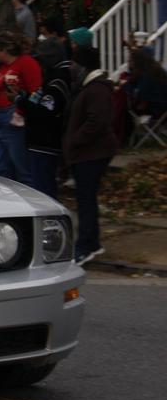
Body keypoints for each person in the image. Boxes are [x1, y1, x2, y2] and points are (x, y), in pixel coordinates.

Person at [64, 46, 118, 265]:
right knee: (85, 198)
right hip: (87, 152)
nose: (72, 67)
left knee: (86, 199)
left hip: (93, 153)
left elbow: (97, 122)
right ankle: (90, 242)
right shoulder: (90, 87)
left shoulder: (97, 90)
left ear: (83, 65)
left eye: (74, 63)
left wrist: (75, 140)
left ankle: (87, 245)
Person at [9, 38, 72, 199]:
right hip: (39, 141)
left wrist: (19, 101)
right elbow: (38, 102)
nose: (40, 63)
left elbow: (44, 112)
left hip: (46, 143)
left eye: (42, 59)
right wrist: (22, 96)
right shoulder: (52, 79)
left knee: (44, 190)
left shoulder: (57, 82)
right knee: (41, 186)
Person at [0, 31, 41, 186]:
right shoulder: (3, 67)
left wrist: (20, 112)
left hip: (14, 120)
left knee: (22, 168)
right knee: (1, 169)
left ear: (5, 50)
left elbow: (36, 91)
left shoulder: (26, 63)